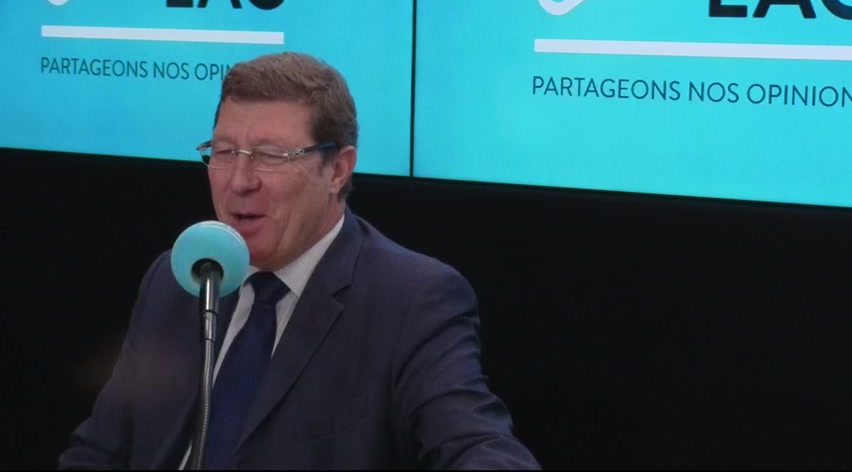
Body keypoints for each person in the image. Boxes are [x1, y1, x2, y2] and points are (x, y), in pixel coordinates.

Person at [58, 51, 539, 469]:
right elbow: (99, 452)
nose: (239, 181)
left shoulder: (412, 301)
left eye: (270, 156)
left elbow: (475, 443)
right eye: (224, 152)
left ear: (338, 169)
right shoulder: (181, 276)